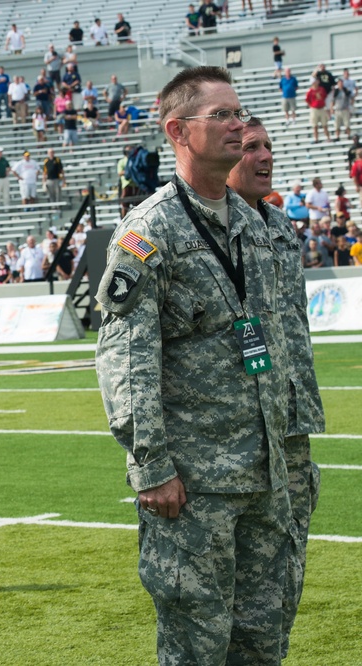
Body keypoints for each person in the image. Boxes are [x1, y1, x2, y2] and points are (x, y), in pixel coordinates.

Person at [95, 66, 291, 665]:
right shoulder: (149, 231)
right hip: (192, 484)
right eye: (222, 116)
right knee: (195, 647)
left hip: (263, 472)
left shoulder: (251, 223)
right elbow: (126, 357)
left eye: (240, 113)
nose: (238, 125)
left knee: (261, 644)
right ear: (178, 130)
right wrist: (151, 465)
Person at [226, 119, 326, 657]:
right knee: (231, 604)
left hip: (291, 429)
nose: (265, 156)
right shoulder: (209, 227)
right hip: (236, 438)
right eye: (250, 148)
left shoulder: (281, 227)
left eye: (269, 146)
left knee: (283, 590)